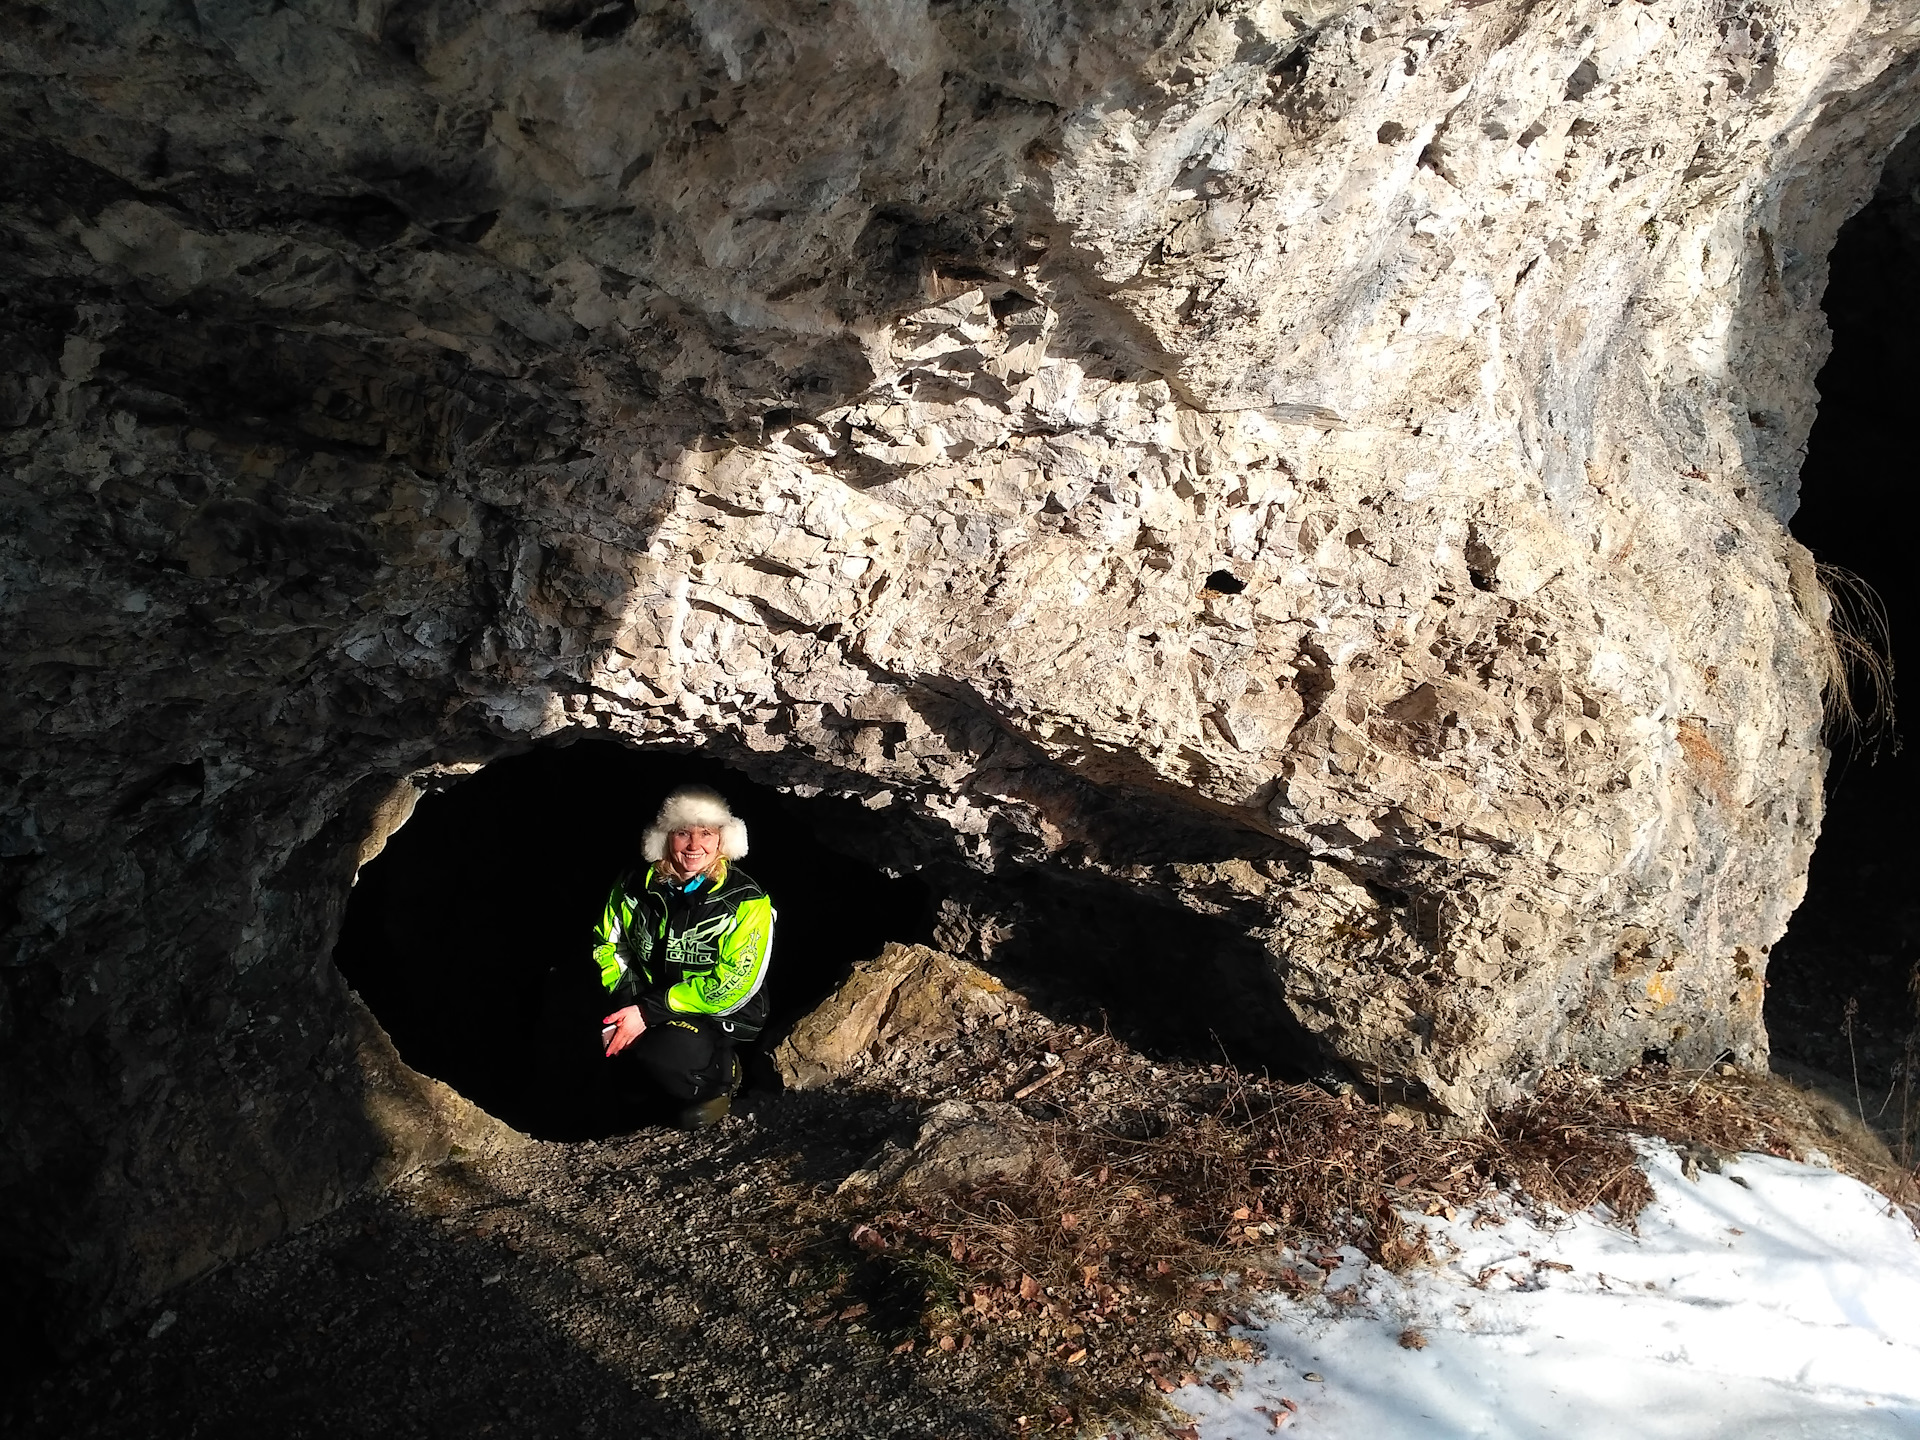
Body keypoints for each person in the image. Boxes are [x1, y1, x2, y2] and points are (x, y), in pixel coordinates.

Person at [592, 786, 774, 1128]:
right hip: (645, 999)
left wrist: (647, 1012)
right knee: (601, 1041)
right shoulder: (634, 885)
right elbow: (610, 945)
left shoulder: (745, 900)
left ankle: (722, 1077)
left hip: (716, 1012)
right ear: (664, 838)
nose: (694, 846)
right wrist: (626, 1006)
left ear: (723, 840)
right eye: (682, 833)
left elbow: (735, 982)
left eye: (706, 833)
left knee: (673, 1057)